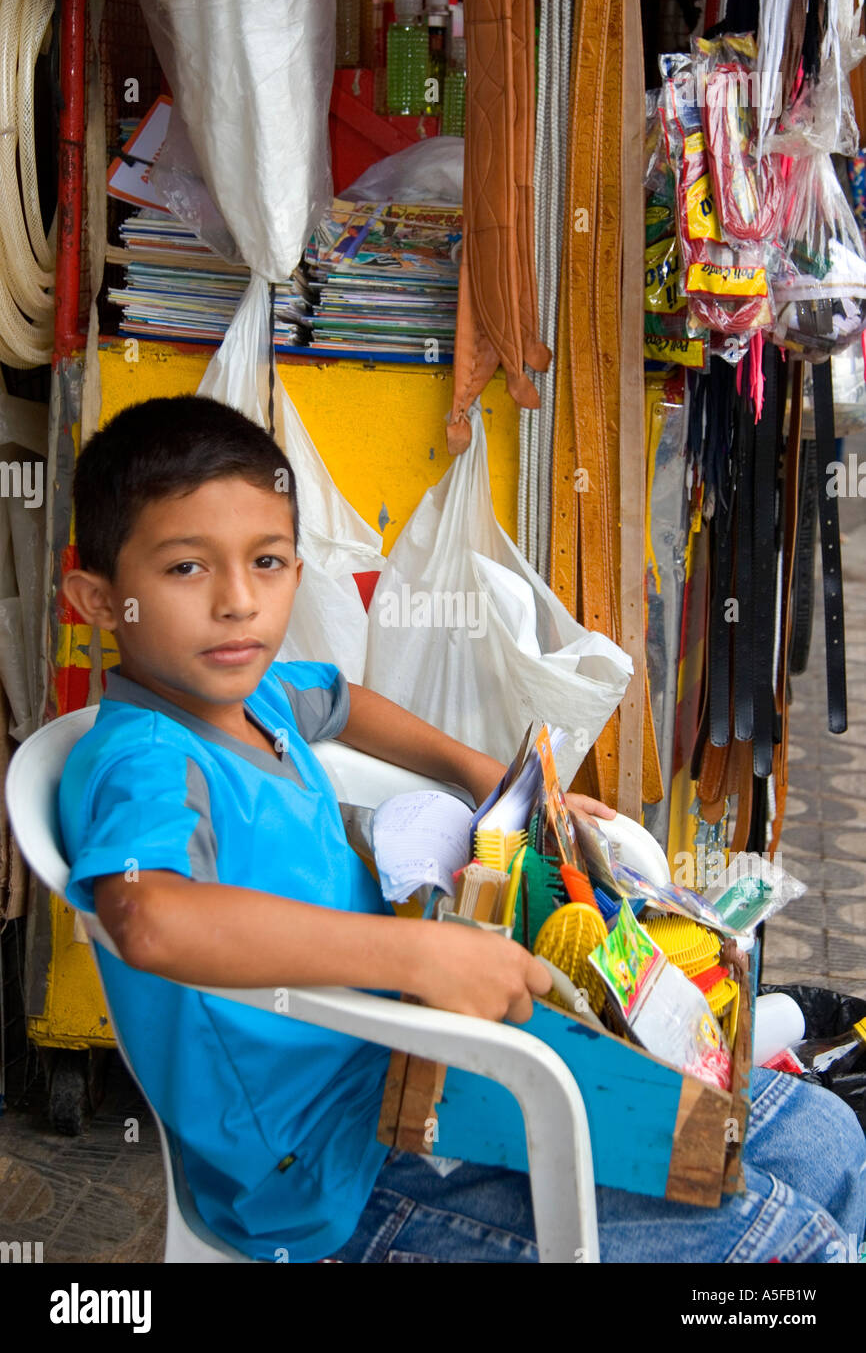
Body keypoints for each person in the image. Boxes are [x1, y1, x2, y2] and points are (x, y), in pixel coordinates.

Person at [59, 395, 866, 1264]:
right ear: (97, 599)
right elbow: (150, 915)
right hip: (334, 1172)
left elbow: (344, 701)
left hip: (430, 1065)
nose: (238, 603)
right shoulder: (144, 759)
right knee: (791, 1247)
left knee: (824, 1135)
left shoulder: (253, 695)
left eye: (268, 561)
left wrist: (498, 781)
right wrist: (420, 957)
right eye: (186, 569)